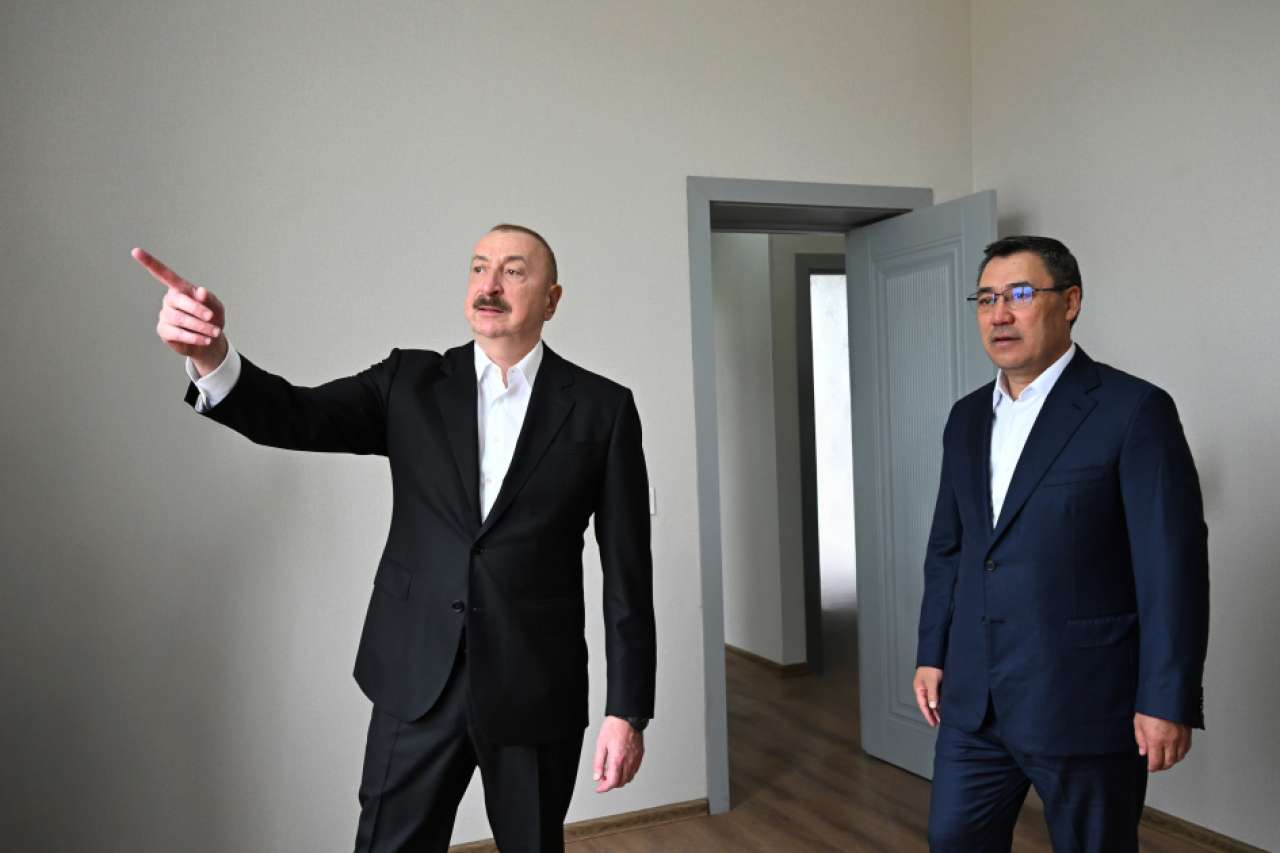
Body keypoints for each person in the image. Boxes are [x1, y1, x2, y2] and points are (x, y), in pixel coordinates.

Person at [134, 224, 656, 853]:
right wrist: (213, 356)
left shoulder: (602, 408)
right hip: (415, 681)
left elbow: (629, 573)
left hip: (534, 688)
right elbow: (295, 414)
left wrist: (627, 710)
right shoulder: (409, 382)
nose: (489, 284)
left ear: (552, 299)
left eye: (514, 271)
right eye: (479, 267)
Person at [911, 235, 1208, 852]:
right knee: (953, 840)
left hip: (1084, 700)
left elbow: (1171, 567)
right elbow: (950, 549)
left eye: (1020, 294)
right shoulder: (966, 418)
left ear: (1070, 302)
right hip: (974, 701)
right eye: (986, 298)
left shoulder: (1133, 410)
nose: (999, 314)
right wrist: (932, 652)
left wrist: (1167, 698)